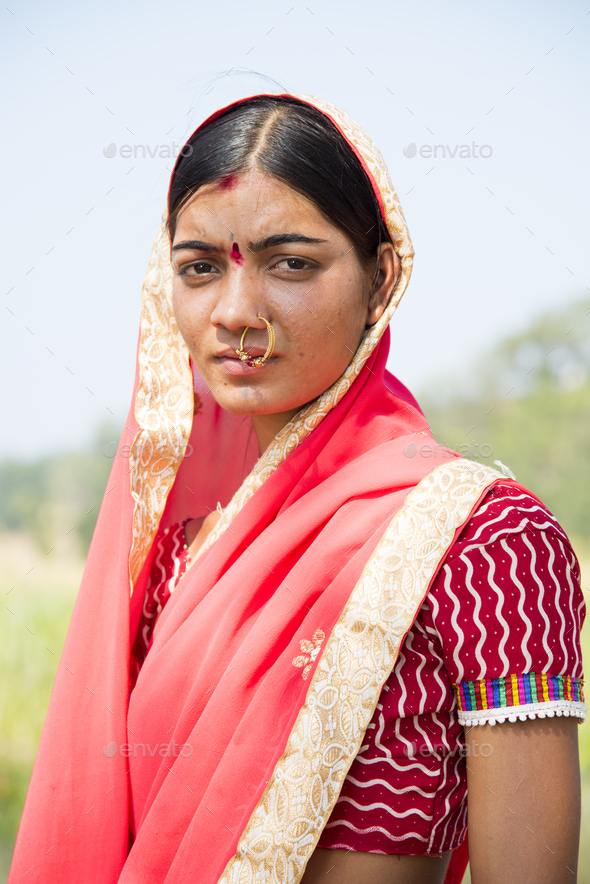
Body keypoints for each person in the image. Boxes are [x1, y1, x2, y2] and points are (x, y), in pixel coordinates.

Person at [9, 94, 585, 884]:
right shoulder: (176, 561)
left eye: (292, 263)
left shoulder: (485, 540)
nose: (238, 313)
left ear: (380, 279)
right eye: (200, 269)